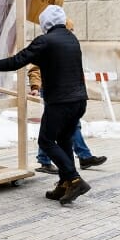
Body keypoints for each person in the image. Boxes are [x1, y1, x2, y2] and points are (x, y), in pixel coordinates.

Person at [0, 4, 91, 205]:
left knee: (46, 141)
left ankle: (74, 179)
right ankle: (64, 183)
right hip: (79, 101)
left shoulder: (45, 41)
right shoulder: (72, 39)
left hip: (60, 103)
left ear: (45, 23)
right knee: (64, 141)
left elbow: (17, 61)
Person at [28, 20, 106, 174]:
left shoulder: (65, 44)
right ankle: (80, 158)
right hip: (53, 92)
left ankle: (69, 159)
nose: (71, 32)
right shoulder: (48, 44)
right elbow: (34, 69)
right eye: (70, 29)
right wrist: (35, 87)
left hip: (65, 93)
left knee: (59, 127)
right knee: (59, 128)